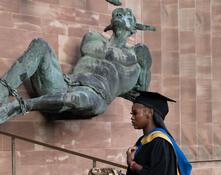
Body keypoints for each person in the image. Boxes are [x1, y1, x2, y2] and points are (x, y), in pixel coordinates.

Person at [0, 8, 155, 124]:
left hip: (95, 96)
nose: (120, 14)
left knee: (75, 98)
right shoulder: (94, 38)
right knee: (40, 44)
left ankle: (18, 107)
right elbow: (91, 49)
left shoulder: (136, 61)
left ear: (134, 27)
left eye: (127, 14)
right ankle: (2, 90)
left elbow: (141, 91)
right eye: (117, 13)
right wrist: (126, 56)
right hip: (65, 84)